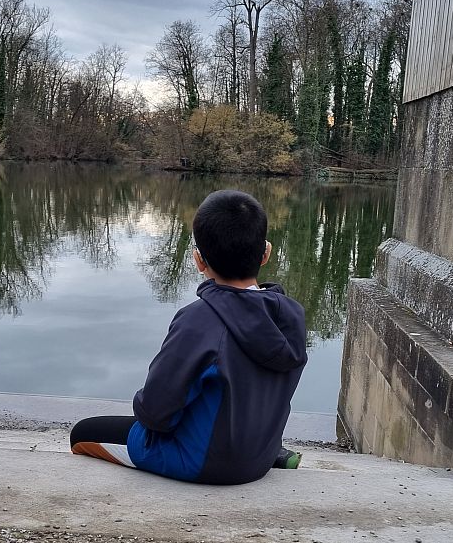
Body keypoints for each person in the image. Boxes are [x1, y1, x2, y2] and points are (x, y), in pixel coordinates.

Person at [70, 189, 307, 485]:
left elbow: (155, 414)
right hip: (259, 453)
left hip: (206, 464)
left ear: (198, 260)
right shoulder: (291, 316)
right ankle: (273, 453)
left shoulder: (198, 321)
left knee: (82, 433)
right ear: (266, 253)